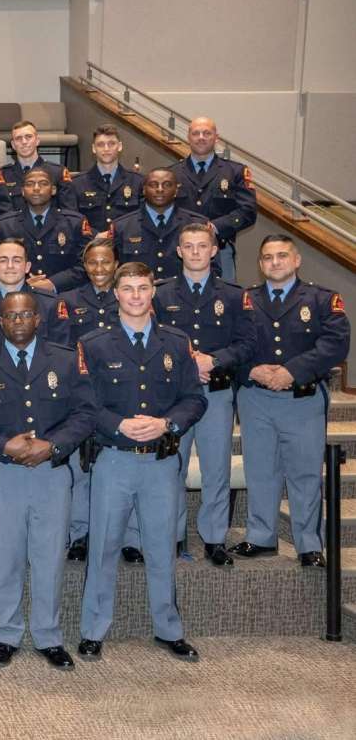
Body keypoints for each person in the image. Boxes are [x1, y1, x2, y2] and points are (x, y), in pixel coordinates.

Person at [0, 292, 95, 671]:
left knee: (50, 557)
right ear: (1, 322)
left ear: (38, 319)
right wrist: (4, 446)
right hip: (5, 474)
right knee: (10, 558)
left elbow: (85, 413)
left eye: (25, 315)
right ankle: (7, 634)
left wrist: (54, 446)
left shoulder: (66, 361)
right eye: (10, 316)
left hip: (52, 473)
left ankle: (49, 635)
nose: (18, 321)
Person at [76, 263, 206, 664]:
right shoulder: (94, 343)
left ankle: (169, 629)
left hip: (161, 462)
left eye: (143, 288)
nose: (135, 295)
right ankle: (93, 630)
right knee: (103, 547)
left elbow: (195, 400)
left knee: (161, 547)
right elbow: (83, 405)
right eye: (128, 288)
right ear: (115, 293)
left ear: (154, 292)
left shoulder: (175, 341)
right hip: (114, 459)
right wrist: (119, 425)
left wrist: (166, 423)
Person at [232, 235, 349, 567]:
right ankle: (261, 537)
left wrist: (292, 372)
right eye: (267, 257)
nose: (275, 262)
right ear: (260, 263)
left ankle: (309, 544)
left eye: (282, 255)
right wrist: (251, 370)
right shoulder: (244, 301)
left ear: (297, 260)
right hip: (256, 398)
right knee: (260, 470)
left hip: (303, 399)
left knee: (306, 473)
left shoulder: (324, 299)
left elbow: (335, 344)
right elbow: (230, 343)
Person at [143, 223, 254, 566]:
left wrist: (215, 360)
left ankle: (214, 538)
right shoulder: (160, 295)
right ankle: (172, 536)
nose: (194, 252)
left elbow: (247, 344)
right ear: (178, 251)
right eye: (188, 246)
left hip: (216, 393)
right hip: (174, 397)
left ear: (213, 250)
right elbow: (151, 343)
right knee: (170, 468)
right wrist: (188, 365)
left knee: (216, 468)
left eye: (201, 246)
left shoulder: (234, 295)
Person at [58, 237, 120, 560]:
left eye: (105, 262)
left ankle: (121, 536)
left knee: (118, 469)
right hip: (79, 397)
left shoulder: (127, 298)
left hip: (117, 396)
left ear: (116, 265)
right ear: (85, 266)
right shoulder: (67, 301)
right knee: (79, 470)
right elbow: (61, 350)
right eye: (93, 262)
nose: (99, 268)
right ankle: (79, 534)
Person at [170, 117, 255, 280]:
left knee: (224, 301)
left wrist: (214, 227)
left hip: (220, 249)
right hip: (183, 251)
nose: (201, 137)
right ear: (188, 137)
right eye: (196, 133)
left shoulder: (235, 172)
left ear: (217, 137)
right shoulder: (173, 173)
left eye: (207, 133)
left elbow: (248, 211)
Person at [0, 167, 92, 293]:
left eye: (43, 183)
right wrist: (21, 283)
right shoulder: (5, 225)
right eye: (30, 184)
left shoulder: (74, 223)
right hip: (17, 296)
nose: (36, 188)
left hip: (63, 296)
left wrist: (53, 283)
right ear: (22, 191)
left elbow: (87, 264)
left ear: (53, 190)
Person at [0, 238, 70, 355]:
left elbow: (59, 353)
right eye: (3, 260)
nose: (10, 266)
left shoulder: (50, 303)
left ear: (27, 267)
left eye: (17, 261)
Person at [109, 166, 212, 282]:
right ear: (143, 189)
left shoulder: (197, 224)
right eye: (153, 185)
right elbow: (114, 272)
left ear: (176, 190)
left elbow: (213, 271)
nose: (160, 189)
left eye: (167, 185)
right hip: (137, 297)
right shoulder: (122, 226)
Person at [61, 124, 141, 235]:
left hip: (126, 246)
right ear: (94, 148)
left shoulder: (137, 181)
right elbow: (72, 219)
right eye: (101, 144)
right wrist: (95, 235)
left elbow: (141, 219)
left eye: (111, 144)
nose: (106, 149)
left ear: (120, 146)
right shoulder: (76, 183)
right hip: (91, 245)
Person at [0, 120, 70, 215]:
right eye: (18, 138)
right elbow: (1, 212)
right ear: (13, 145)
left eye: (28, 137)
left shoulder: (58, 172)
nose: (24, 142)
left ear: (37, 141)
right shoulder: (2, 174)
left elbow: (68, 212)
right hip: (14, 228)